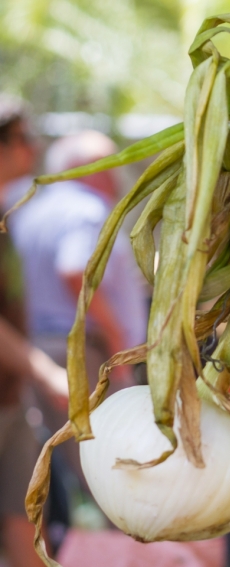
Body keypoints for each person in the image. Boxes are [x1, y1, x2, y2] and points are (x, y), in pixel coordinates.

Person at [6, 130, 148, 494]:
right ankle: (122, 548)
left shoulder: (30, 209)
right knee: (113, 469)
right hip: (86, 351)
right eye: (110, 164)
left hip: (39, 348)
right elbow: (74, 269)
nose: (116, 175)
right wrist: (116, 334)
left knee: (78, 465)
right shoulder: (87, 208)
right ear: (89, 169)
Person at [0, 95, 69, 566]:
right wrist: (45, 371)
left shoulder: (8, 214)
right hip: (14, 385)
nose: (34, 150)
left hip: (9, 393)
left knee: (25, 510)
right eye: (25, 139)